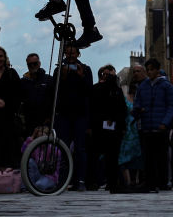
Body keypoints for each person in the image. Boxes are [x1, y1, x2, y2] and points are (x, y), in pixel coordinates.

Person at [54, 44, 93, 190]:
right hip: (64, 114)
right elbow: (55, 91)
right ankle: (63, 180)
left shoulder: (86, 69)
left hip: (80, 114)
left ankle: (80, 180)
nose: (70, 55)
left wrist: (82, 77)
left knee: (80, 149)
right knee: (63, 148)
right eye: (67, 52)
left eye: (73, 52)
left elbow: (89, 91)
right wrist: (62, 77)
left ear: (78, 54)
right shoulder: (59, 69)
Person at [134, 58, 173, 192]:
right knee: (148, 157)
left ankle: (162, 182)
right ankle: (149, 182)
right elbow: (137, 103)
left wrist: (165, 122)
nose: (150, 72)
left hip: (160, 127)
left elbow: (171, 106)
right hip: (146, 126)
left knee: (161, 156)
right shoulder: (143, 86)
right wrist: (138, 110)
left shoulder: (166, 86)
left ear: (157, 70)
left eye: (152, 69)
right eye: (148, 70)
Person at [89, 64, 127, 190]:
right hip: (98, 127)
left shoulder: (117, 90)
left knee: (112, 157)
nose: (107, 77)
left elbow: (122, 109)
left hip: (113, 128)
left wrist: (117, 122)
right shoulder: (95, 89)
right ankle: (94, 181)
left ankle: (112, 182)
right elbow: (92, 108)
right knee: (95, 156)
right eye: (105, 74)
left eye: (110, 74)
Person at [20, 52, 53, 136]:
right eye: (29, 64)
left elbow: (55, 100)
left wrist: (50, 118)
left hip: (46, 123)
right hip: (29, 123)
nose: (32, 66)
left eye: (35, 63)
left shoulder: (49, 79)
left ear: (39, 63)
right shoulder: (23, 82)